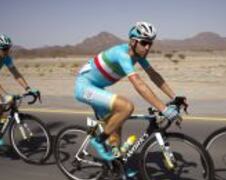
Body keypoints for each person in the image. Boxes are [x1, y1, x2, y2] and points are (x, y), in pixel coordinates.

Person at [74, 22, 187, 161]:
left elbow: (154, 76)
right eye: (144, 43)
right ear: (133, 42)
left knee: (116, 126)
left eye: (150, 44)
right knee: (126, 107)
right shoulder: (121, 54)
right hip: (84, 87)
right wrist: (163, 108)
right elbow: (138, 83)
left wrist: (175, 97)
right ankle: (98, 141)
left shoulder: (139, 57)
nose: (147, 47)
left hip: (97, 88)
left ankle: (117, 166)